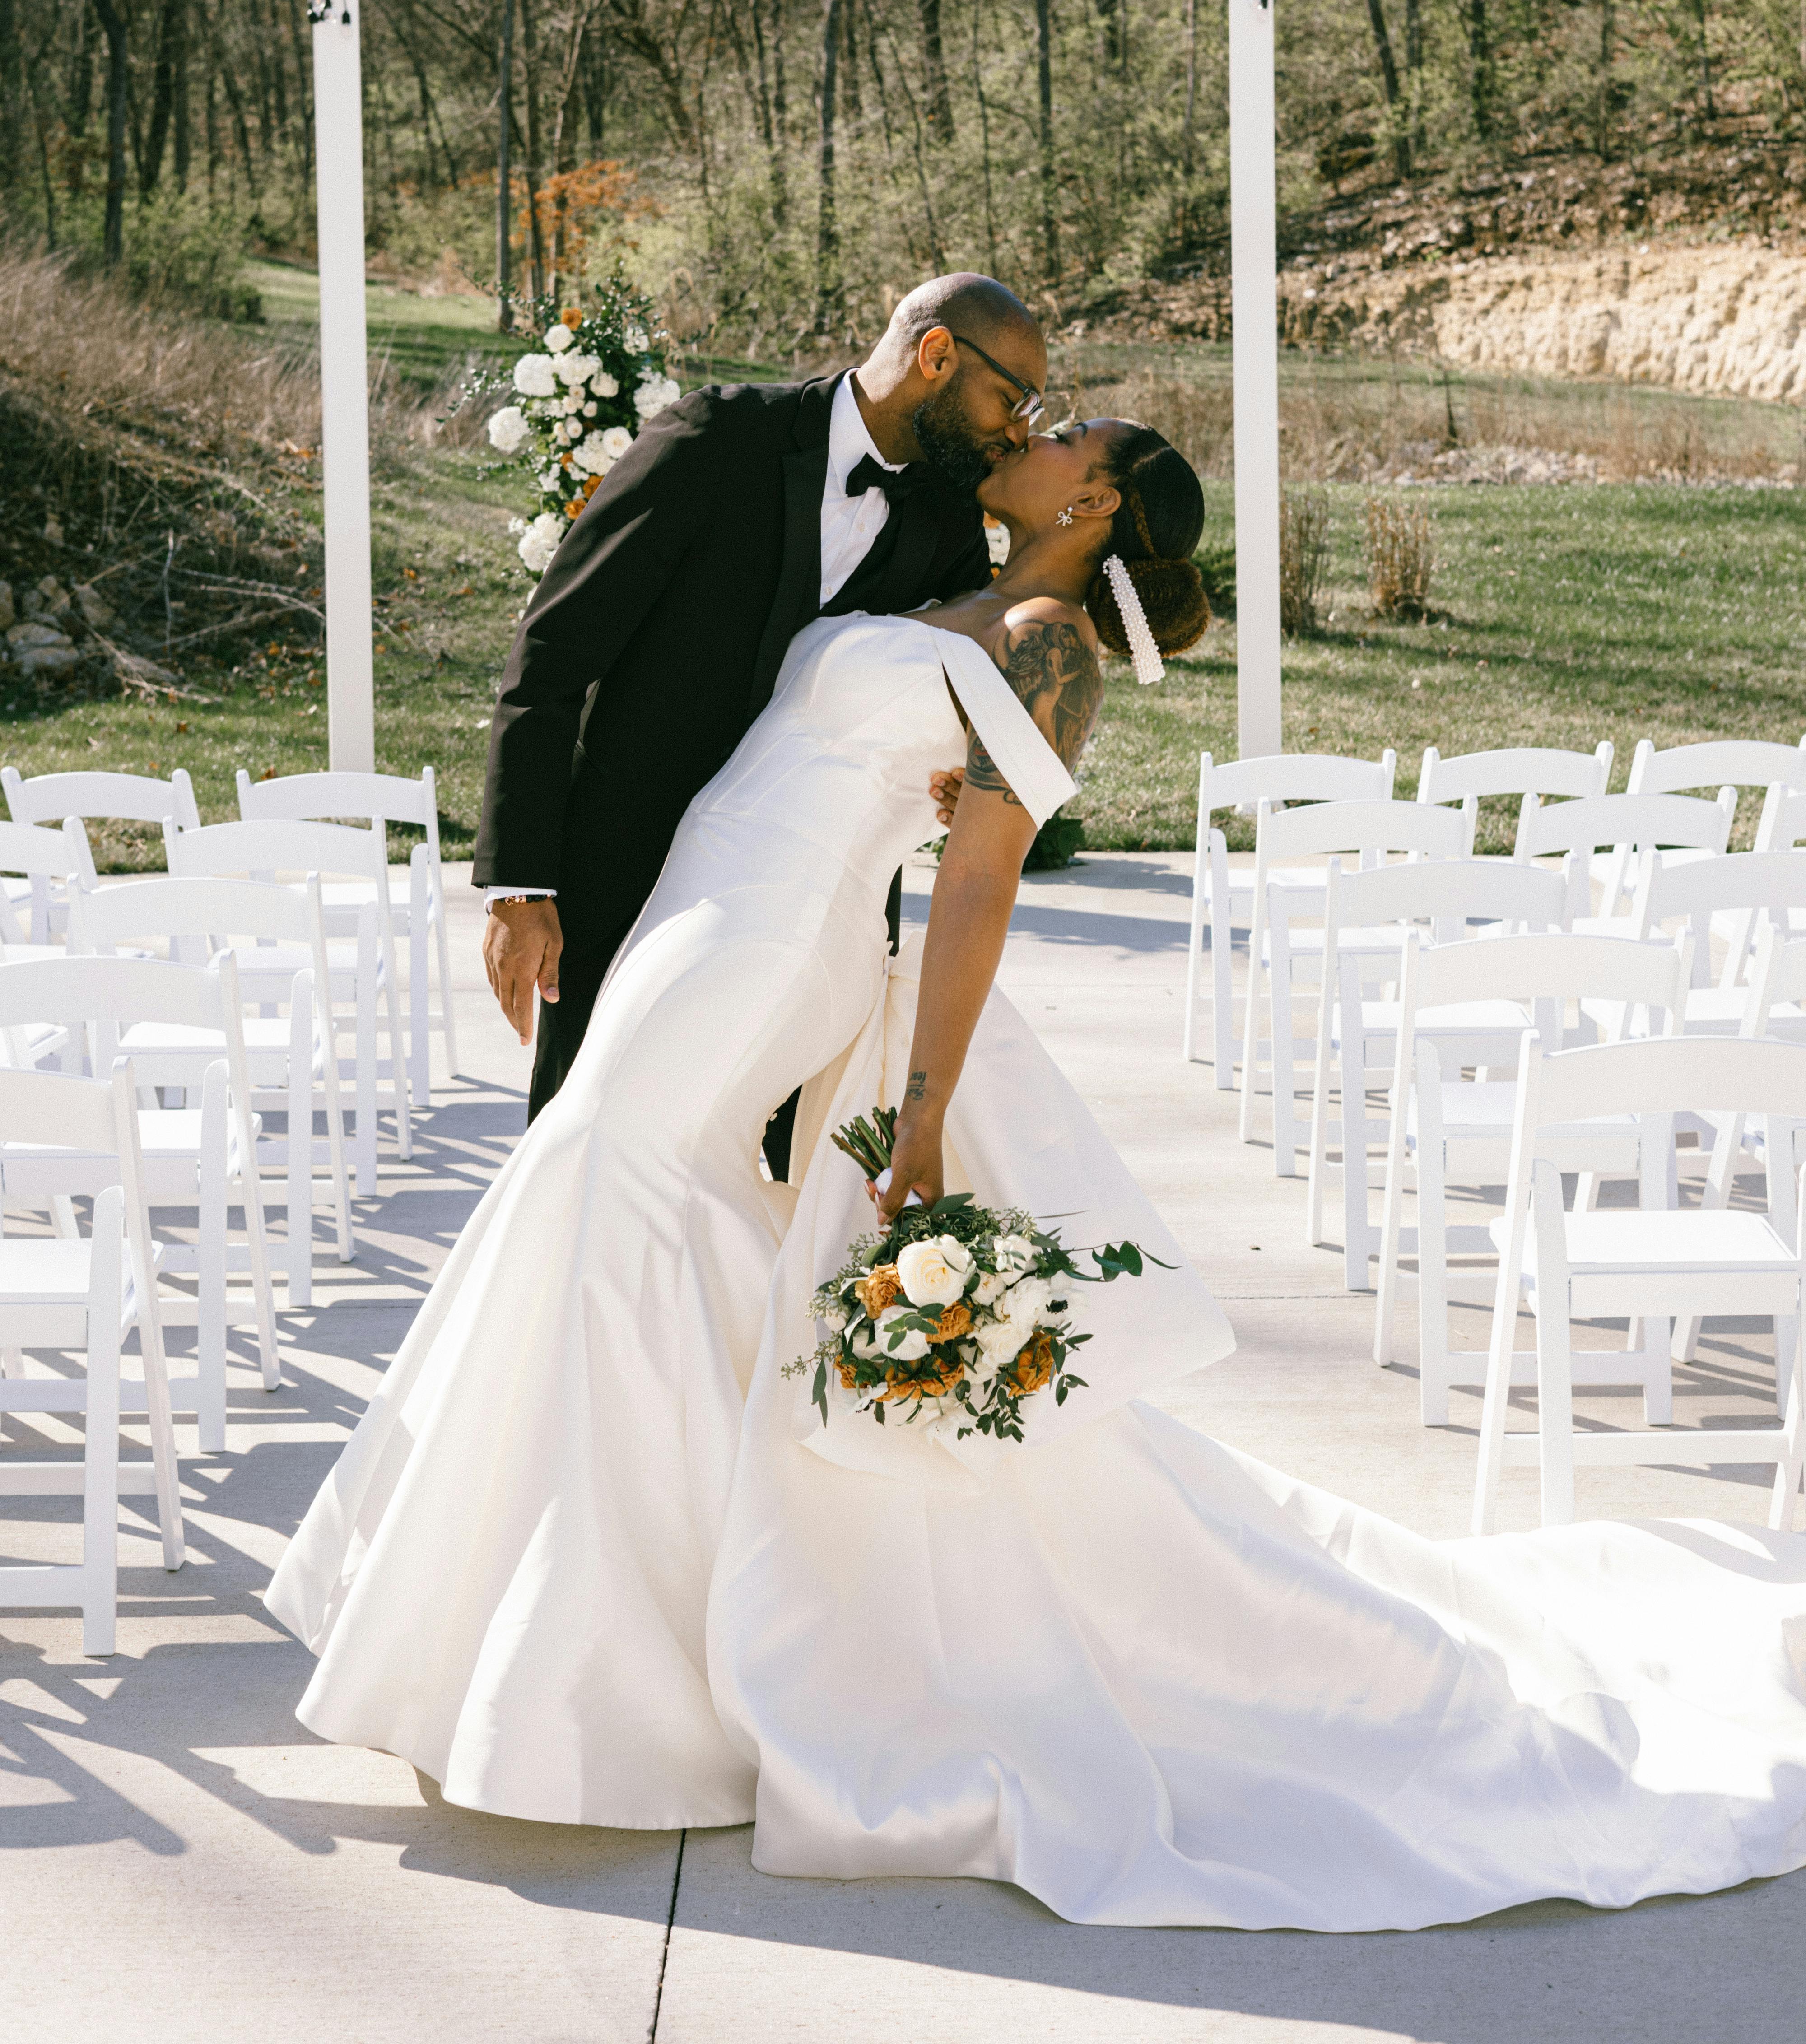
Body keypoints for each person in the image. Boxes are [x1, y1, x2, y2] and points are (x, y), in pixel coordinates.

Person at [269, 418, 1806, 1934]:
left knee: (609, 1176)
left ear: (1101, 497)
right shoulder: (951, 584)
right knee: (623, 1204)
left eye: (1068, 430)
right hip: (702, 904)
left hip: (765, 946)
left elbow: (979, 891)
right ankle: (647, 1636)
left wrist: (922, 1110)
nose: (1036, 427)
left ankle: (610, 1679)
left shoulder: (1049, 644)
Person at [472, 272, 1047, 1146]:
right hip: (632, 867)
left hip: (807, 901)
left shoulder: (945, 517)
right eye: (1011, 400)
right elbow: (551, 654)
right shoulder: (713, 439)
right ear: (936, 355)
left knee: (775, 1164)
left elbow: (938, 693)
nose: (1015, 432)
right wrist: (521, 884)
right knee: (591, 1136)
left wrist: (951, 779)